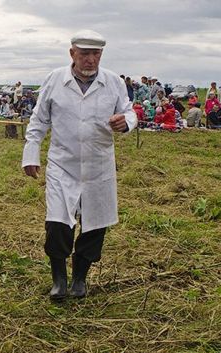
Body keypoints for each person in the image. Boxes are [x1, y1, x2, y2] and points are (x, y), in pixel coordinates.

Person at [22, 30, 137, 301]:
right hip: (64, 165)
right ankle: (59, 280)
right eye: (84, 54)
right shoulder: (55, 80)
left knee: (95, 225)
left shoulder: (113, 82)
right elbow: (39, 120)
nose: (90, 60)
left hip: (99, 167)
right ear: (72, 53)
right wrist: (31, 153)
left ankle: (80, 279)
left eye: (96, 54)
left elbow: (129, 111)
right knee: (58, 224)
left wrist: (126, 122)